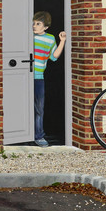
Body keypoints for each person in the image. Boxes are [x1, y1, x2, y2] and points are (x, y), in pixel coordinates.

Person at [32, 11, 66, 147]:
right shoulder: (28, 36)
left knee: (39, 108)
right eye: (33, 23)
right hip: (24, 76)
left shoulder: (50, 39)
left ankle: (39, 136)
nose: (34, 26)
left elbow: (54, 56)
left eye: (38, 24)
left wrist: (62, 41)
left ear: (45, 27)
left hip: (38, 78)